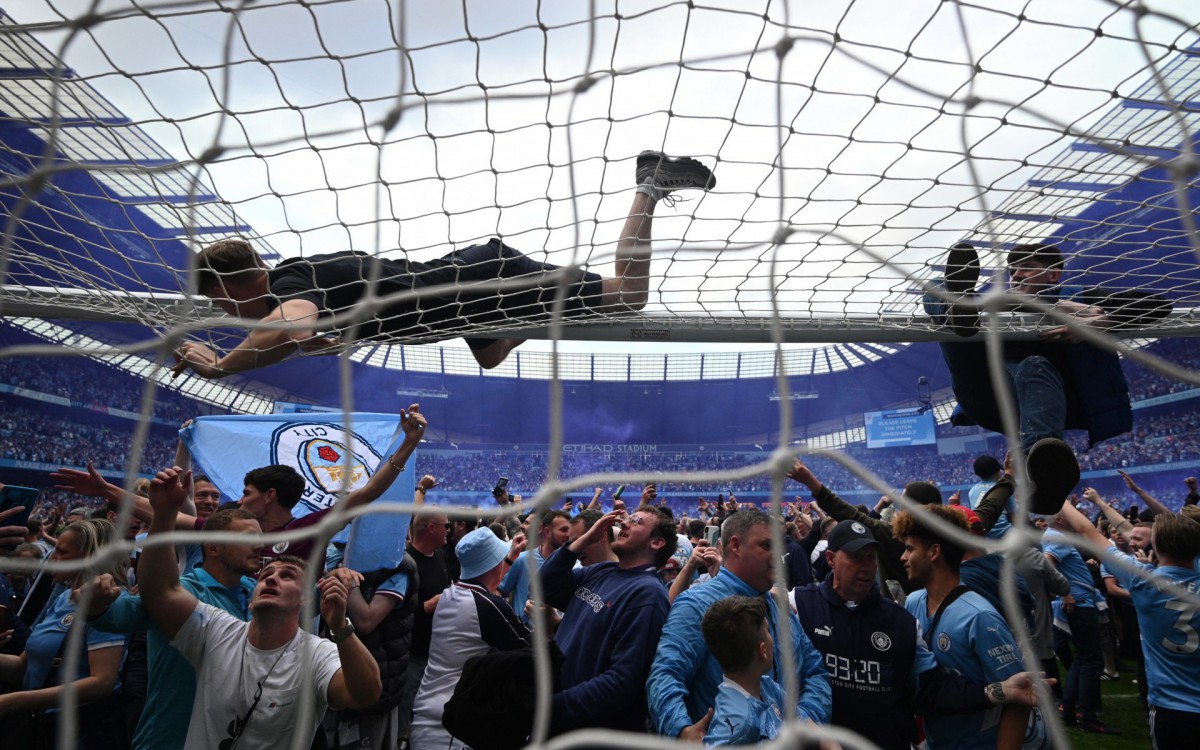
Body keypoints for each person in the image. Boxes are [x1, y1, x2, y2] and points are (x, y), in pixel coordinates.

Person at [170, 152, 716, 374]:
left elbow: (291, 325)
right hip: (470, 307)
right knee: (491, 358)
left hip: (484, 283)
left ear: (231, 282)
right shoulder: (299, 284)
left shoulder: (290, 281)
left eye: (216, 299)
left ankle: (649, 185)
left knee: (627, 297)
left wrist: (222, 365)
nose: (222, 310)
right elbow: (305, 327)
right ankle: (646, 189)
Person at [136, 465, 381, 749]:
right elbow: (160, 591)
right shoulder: (217, 631)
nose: (272, 578)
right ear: (251, 596)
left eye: (287, 576)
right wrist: (163, 514)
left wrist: (340, 627)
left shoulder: (317, 654)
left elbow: (364, 693)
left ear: (305, 598)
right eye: (265, 576)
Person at [924, 242, 1171, 514]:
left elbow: (1160, 305)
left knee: (1034, 365)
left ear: (1053, 275)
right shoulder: (997, 306)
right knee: (936, 287)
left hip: (1053, 401)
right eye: (1012, 270)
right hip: (988, 399)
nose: (1016, 275)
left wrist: (1103, 319)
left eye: (1026, 268)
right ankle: (956, 312)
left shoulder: (1080, 298)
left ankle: (1042, 474)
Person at [52, 404, 428, 567]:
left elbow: (366, 494)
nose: (239, 499)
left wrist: (409, 443)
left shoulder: (307, 529)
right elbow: (163, 515)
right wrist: (106, 491)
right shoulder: (229, 532)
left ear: (269, 496)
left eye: (246, 493)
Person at [792, 519, 1046, 750]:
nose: (867, 567)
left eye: (871, 558)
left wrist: (997, 691)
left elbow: (932, 688)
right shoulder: (799, 606)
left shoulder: (900, 621)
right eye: (856, 557)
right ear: (830, 559)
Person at [82, 508, 261, 750]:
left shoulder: (258, 591)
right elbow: (125, 614)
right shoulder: (183, 592)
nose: (259, 546)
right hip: (172, 738)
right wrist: (98, 605)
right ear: (214, 548)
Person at [647, 508, 831, 741]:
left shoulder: (779, 609)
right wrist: (682, 731)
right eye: (766, 546)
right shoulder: (697, 605)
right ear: (735, 546)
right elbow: (665, 674)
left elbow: (815, 671)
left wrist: (805, 722)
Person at [1054, 501, 1200, 749]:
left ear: (1156, 547)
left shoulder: (1142, 580)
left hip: (1170, 707)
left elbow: (1089, 532)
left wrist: (1060, 498)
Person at [894, 504, 1030, 750]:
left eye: (909, 549)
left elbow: (1019, 698)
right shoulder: (913, 602)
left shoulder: (980, 617)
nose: (903, 558)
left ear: (934, 552)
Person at [539, 505, 676, 733]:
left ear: (656, 542)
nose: (624, 523)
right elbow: (543, 586)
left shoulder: (648, 595)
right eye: (627, 519)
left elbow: (623, 681)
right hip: (558, 719)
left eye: (636, 521)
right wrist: (583, 540)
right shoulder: (602, 570)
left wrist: (555, 707)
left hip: (583, 730)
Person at [0, 519, 129, 749]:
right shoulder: (64, 598)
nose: (52, 558)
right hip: (37, 726)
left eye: (61, 551)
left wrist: (15, 701)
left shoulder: (108, 602)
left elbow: (102, 682)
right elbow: (23, 666)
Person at [410, 528, 532, 750]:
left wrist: (509, 559)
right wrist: (552, 624)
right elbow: (536, 650)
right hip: (449, 730)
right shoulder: (486, 606)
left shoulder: (450, 593)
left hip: (428, 716)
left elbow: (487, 585)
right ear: (494, 564)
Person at [1042, 510, 1117, 734]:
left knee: (1082, 658)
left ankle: (1068, 708)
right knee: (1092, 660)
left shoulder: (1052, 535)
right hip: (1080, 603)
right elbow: (1046, 565)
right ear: (1062, 519)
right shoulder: (1058, 537)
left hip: (1079, 602)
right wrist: (1064, 591)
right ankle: (1088, 716)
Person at [700, 596, 787, 746]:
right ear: (763, 651)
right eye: (768, 631)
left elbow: (803, 721)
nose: (772, 638)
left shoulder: (767, 686)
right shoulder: (738, 722)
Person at [499, 509, 571, 625]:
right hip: (525, 635)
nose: (568, 535)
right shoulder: (522, 560)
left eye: (570, 530)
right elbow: (500, 591)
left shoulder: (575, 565)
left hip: (557, 636)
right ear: (547, 532)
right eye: (563, 530)